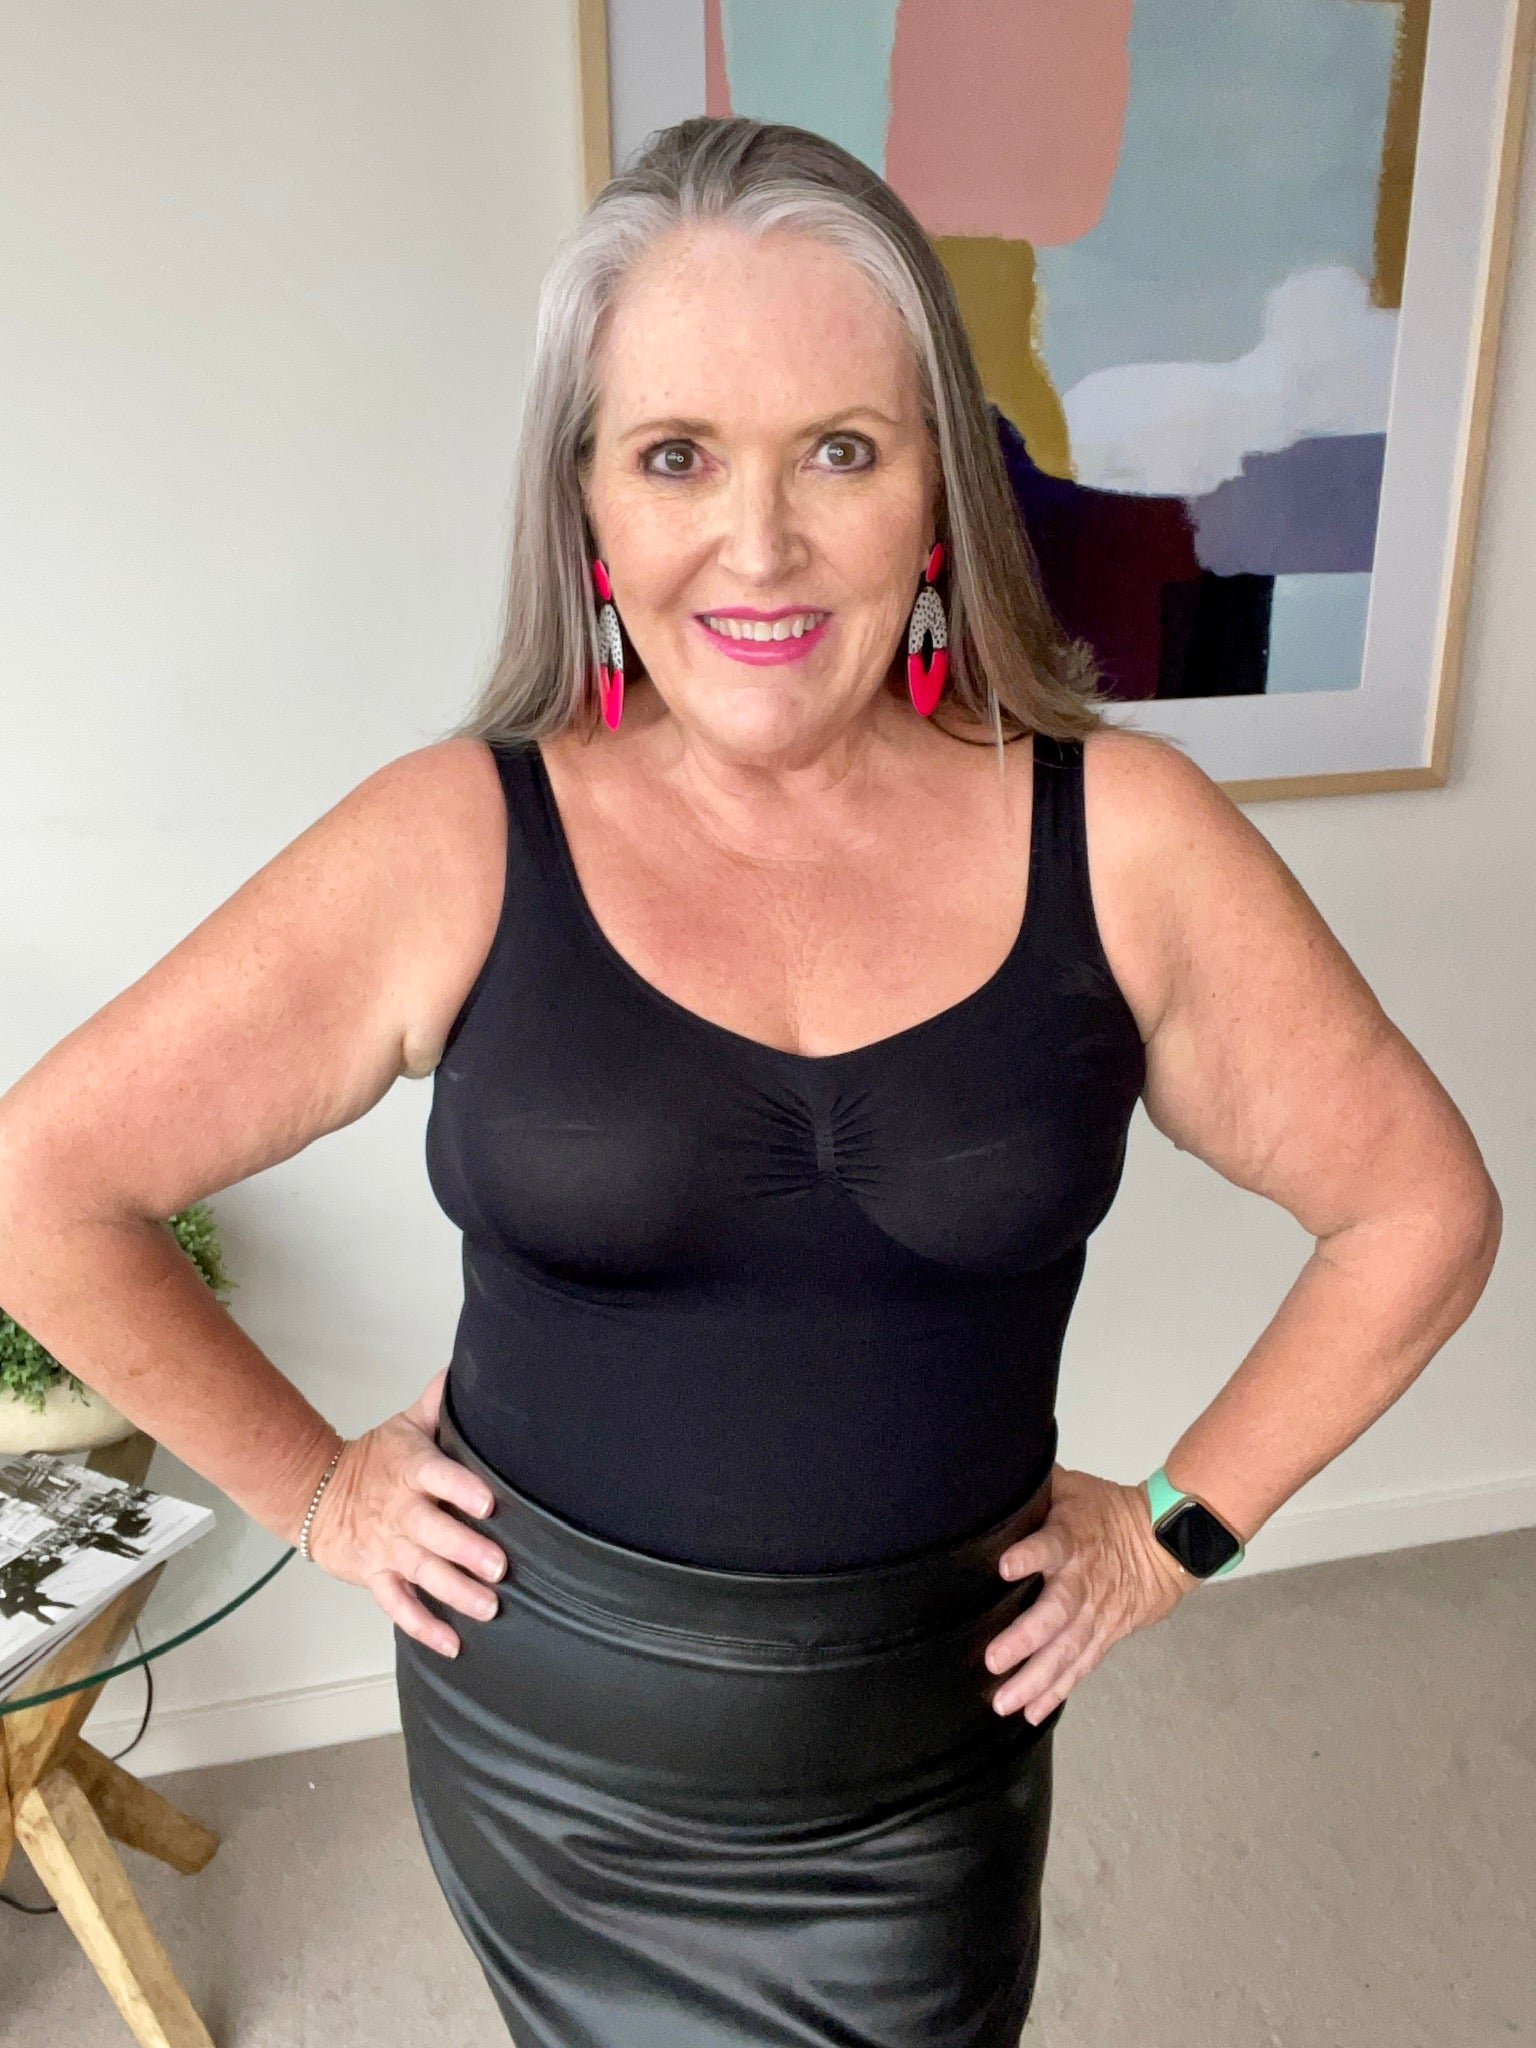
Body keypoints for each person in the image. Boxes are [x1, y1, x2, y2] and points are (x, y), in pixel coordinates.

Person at [0, 117, 1500, 2045]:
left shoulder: (1125, 838)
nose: (761, 544)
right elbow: (44, 1184)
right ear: (587, 505)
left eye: (841, 453)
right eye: (677, 456)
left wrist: (1170, 1533)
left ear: (941, 487)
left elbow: (1417, 1212)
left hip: (923, 1777)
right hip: (544, 1754)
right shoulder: (456, 839)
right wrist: (313, 1488)